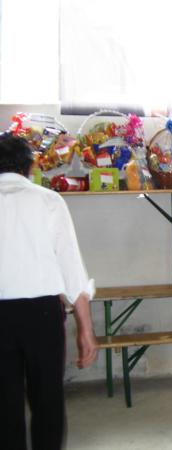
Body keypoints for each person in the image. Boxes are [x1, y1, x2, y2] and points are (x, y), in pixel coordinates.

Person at [0, 134, 97, 450]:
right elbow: (72, 269)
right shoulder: (48, 200)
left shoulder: (49, 200)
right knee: (47, 400)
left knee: (4, 405)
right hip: (41, 314)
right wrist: (86, 330)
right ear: (30, 167)